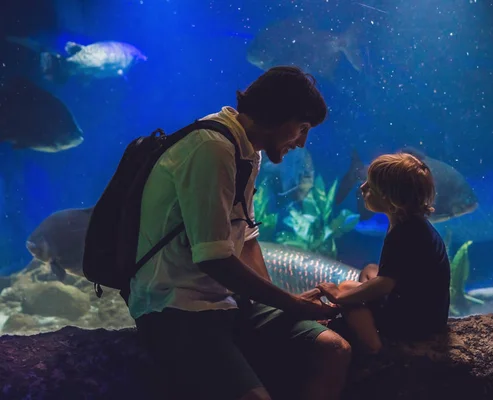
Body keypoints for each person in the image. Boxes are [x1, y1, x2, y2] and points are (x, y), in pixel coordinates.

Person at [130, 66, 351, 400]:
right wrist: (289, 301)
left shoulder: (247, 150)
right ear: (277, 114)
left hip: (227, 303)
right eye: (302, 128)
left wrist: (282, 307)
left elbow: (246, 240)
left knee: (333, 350)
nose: (303, 141)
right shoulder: (212, 148)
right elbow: (214, 259)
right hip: (178, 308)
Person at [317, 151, 451, 354]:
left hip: (416, 323)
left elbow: (385, 284)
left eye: (370, 186)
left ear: (391, 200)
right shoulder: (411, 224)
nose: (362, 187)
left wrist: (338, 297)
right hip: (430, 313)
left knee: (344, 290)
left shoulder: (405, 233)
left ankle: (376, 347)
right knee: (369, 270)